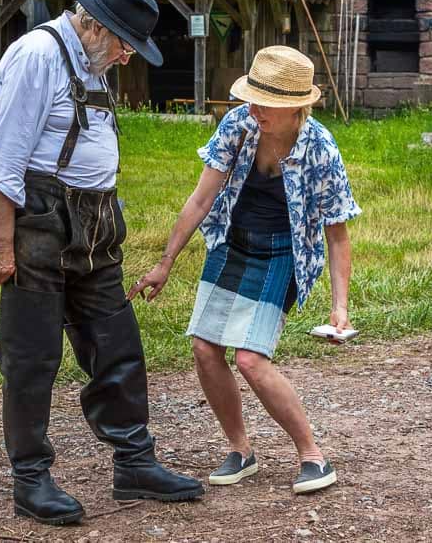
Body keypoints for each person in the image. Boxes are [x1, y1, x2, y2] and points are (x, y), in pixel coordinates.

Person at [0, 0, 204, 526]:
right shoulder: (37, 55)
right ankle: (30, 479)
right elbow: (3, 159)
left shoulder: (91, 61)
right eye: (125, 42)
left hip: (96, 220)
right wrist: (2, 245)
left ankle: (135, 464)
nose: (126, 57)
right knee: (32, 354)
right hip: (39, 220)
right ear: (95, 23)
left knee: (114, 341)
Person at [129, 45, 361, 495]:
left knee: (251, 359)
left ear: (295, 107)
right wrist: (165, 263)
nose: (253, 108)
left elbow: (337, 235)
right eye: (251, 97)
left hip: (281, 253)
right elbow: (200, 200)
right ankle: (241, 450)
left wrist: (340, 307)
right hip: (232, 243)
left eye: (264, 102)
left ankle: (313, 455)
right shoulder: (238, 126)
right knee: (203, 347)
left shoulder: (321, 150)